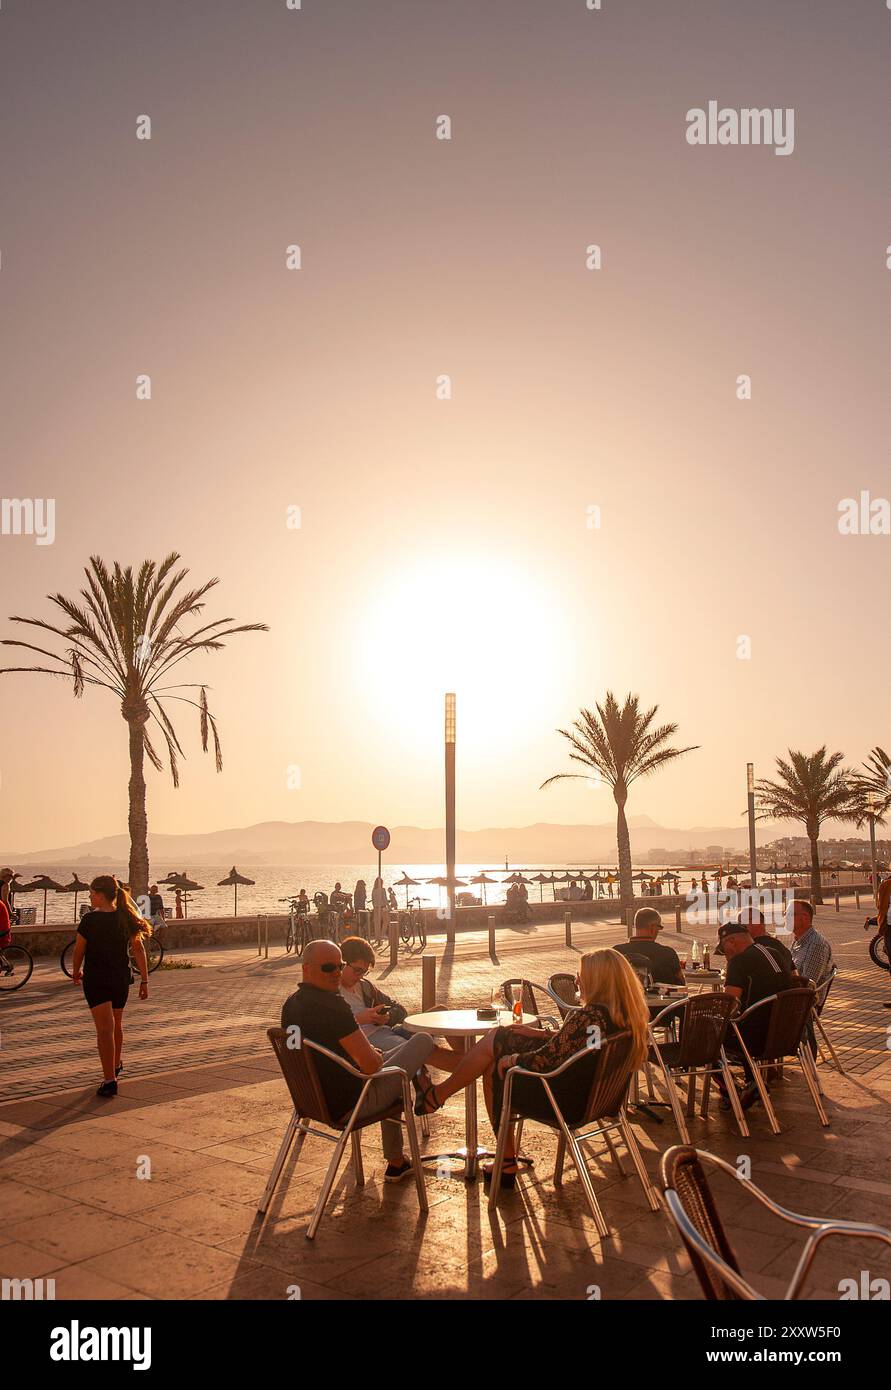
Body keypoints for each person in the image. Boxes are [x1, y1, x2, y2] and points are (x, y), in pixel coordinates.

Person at [414, 949, 649, 1188]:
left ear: (599, 980)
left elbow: (544, 1060)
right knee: (500, 1039)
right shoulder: (621, 1017)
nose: (577, 980)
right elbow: (580, 1045)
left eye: (581, 975)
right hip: (594, 1098)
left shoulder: (588, 1015)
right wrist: (542, 1033)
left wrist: (513, 1060)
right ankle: (442, 1095)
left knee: (495, 1067)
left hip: (562, 1101)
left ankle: (441, 1098)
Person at [280, 939, 434, 1181]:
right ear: (306, 968)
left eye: (339, 966)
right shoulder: (334, 1007)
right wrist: (375, 1055)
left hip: (311, 1101)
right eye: (328, 968)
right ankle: (398, 1156)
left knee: (395, 1062)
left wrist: (375, 1054)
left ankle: (397, 1161)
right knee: (422, 1041)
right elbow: (372, 1066)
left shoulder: (291, 1005)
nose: (336, 973)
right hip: (351, 1104)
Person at [71, 875, 149, 1097]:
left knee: (104, 1030)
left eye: (91, 893)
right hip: (120, 978)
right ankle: (115, 1066)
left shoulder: (89, 920)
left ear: (99, 894)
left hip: (97, 979)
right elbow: (138, 949)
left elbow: (79, 950)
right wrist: (144, 980)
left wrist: (76, 971)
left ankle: (109, 1080)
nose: (89, 896)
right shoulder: (125, 916)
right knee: (116, 1023)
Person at [338, 936, 459, 1074]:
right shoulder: (332, 993)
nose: (360, 976)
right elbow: (332, 1027)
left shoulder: (365, 987)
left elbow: (401, 1010)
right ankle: (473, 1065)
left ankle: (473, 1062)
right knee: (423, 1048)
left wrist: (387, 1016)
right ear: (342, 964)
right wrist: (360, 1019)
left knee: (441, 1013)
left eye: (364, 972)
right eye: (357, 970)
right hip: (370, 1040)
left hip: (389, 1030)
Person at [716, 920, 796, 1109]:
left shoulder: (739, 962)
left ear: (732, 942)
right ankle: (753, 1082)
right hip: (786, 1033)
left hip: (756, 1039)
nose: (726, 956)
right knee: (743, 1023)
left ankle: (731, 1090)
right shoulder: (775, 953)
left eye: (724, 949)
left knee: (705, 1037)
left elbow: (729, 1004)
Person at [613, 907, 684, 985]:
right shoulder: (668, 953)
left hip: (628, 997)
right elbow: (681, 984)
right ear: (652, 927)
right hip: (662, 996)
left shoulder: (617, 952)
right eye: (659, 927)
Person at [788, 900, 832, 985]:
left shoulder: (816, 945)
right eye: (784, 914)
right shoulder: (799, 940)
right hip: (792, 992)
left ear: (805, 917)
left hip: (801, 996)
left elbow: (807, 985)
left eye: (790, 914)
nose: (785, 918)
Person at [371, 877, 386, 943]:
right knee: (386, 921)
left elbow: (373, 900)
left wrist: (374, 907)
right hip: (382, 907)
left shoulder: (374, 890)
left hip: (375, 907)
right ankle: (382, 935)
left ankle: (377, 937)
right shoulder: (382, 890)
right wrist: (389, 907)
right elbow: (385, 899)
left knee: (377, 923)